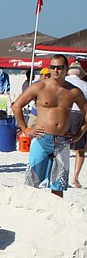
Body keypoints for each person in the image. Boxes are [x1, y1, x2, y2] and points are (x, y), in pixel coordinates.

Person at [12, 54, 87, 197]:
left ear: (66, 69)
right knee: (32, 182)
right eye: (52, 67)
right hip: (42, 139)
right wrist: (26, 129)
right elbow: (17, 106)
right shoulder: (39, 87)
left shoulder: (73, 91)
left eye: (59, 67)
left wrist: (79, 133)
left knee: (58, 184)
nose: (55, 71)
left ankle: (54, 217)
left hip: (63, 141)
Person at [65, 62, 87, 188]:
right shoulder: (85, 85)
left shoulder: (63, 82)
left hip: (66, 114)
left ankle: (62, 174)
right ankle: (75, 178)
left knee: (62, 146)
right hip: (80, 114)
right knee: (80, 149)